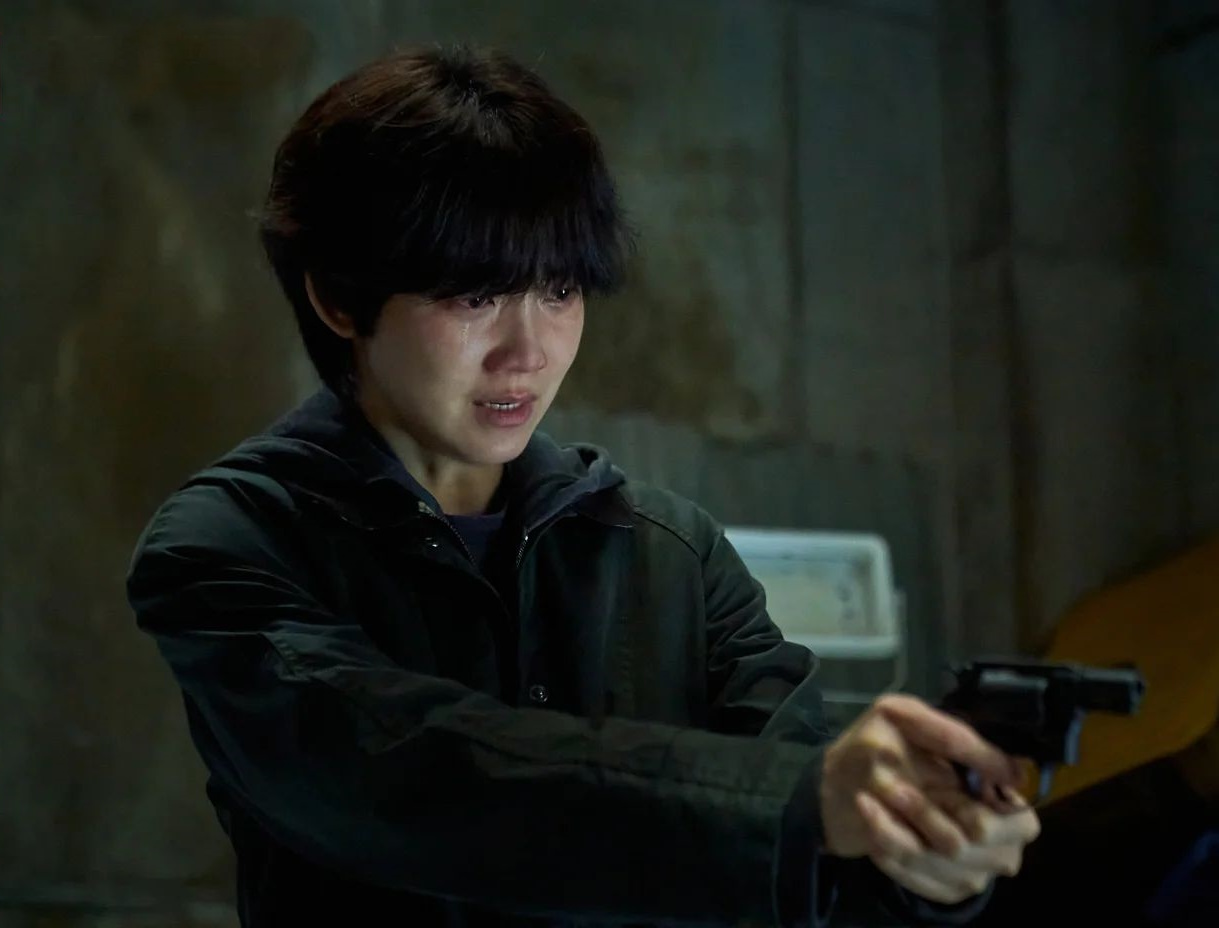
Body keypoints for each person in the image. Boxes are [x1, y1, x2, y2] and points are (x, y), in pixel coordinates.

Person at [126, 45, 1040, 928]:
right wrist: (801, 806)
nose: (527, 351)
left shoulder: (670, 552)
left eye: (559, 290)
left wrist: (925, 847)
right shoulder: (230, 542)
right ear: (337, 296)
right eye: (475, 296)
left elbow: (817, 850)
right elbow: (414, 775)